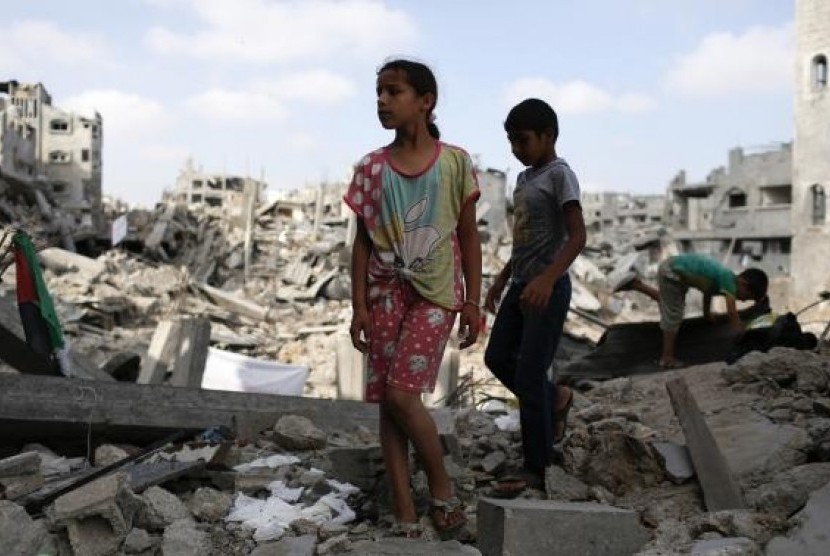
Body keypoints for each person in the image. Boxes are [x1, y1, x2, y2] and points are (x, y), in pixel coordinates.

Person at [344, 58, 481, 538]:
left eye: (393, 91)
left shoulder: (455, 163)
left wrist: (474, 301)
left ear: (426, 101)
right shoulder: (370, 169)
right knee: (388, 402)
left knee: (404, 394)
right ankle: (404, 511)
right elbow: (361, 241)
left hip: (438, 292)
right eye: (378, 91)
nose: (381, 100)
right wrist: (358, 305)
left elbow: (468, 236)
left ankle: (442, 491)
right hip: (383, 293)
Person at [483, 98, 586, 496]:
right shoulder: (524, 180)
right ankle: (555, 398)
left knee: (529, 373)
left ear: (549, 136)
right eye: (510, 141)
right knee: (496, 358)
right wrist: (500, 280)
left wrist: (547, 279)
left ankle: (537, 466)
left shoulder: (561, 175)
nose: (515, 148)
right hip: (520, 285)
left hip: (548, 289)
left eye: (523, 140)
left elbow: (577, 236)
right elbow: (523, 240)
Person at [614, 253, 769, 368]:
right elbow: (732, 312)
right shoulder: (728, 280)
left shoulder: (724, 282)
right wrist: (740, 331)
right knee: (674, 316)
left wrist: (707, 314)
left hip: (677, 271)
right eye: (745, 297)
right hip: (672, 272)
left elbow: (708, 293)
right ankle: (667, 357)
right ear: (743, 283)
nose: (741, 301)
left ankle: (636, 285)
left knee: (670, 304)